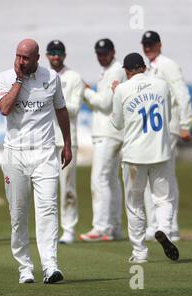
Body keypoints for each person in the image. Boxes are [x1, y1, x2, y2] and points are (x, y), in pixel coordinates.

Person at [0, 38, 72, 284]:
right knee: (18, 213)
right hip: (15, 153)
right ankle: (25, 268)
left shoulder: (51, 78)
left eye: (25, 58)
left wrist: (68, 144)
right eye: (18, 56)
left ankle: (50, 266)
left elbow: (61, 110)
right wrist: (19, 80)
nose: (20, 61)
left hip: (45, 153)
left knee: (48, 209)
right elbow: (5, 108)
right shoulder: (5, 77)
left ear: (37, 59)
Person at [111, 52, 179, 263]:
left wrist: (116, 94)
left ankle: (140, 253)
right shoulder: (161, 84)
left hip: (134, 157)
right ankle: (164, 229)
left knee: (135, 204)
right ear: (143, 67)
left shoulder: (122, 89)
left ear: (127, 71)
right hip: (160, 152)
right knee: (163, 199)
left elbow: (117, 123)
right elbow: (166, 116)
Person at [140, 31, 192, 242]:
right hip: (153, 130)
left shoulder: (168, 65)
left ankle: (170, 227)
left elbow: (182, 93)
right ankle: (155, 226)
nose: (148, 47)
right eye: (145, 44)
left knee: (165, 176)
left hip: (169, 128)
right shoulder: (149, 69)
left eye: (151, 44)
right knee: (152, 176)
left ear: (160, 45)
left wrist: (185, 124)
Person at [80, 38, 126, 242]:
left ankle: (102, 228)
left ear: (113, 51)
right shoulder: (107, 72)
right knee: (111, 181)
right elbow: (99, 105)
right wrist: (89, 95)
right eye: (99, 53)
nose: (101, 56)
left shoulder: (115, 71)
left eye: (105, 53)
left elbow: (106, 104)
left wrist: (85, 91)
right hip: (109, 132)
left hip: (108, 134)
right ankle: (114, 227)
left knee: (100, 179)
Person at [46, 40, 84, 244]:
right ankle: (49, 229)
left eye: (59, 52)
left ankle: (68, 229)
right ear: (46, 55)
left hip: (67, 140)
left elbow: (75, 109)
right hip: (46, 139)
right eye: (52, 52)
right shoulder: (42, 76)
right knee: (46, 186)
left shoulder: (74, 77)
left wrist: (55, 101)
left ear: (64, 55)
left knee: (68, 187)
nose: (56, 56)